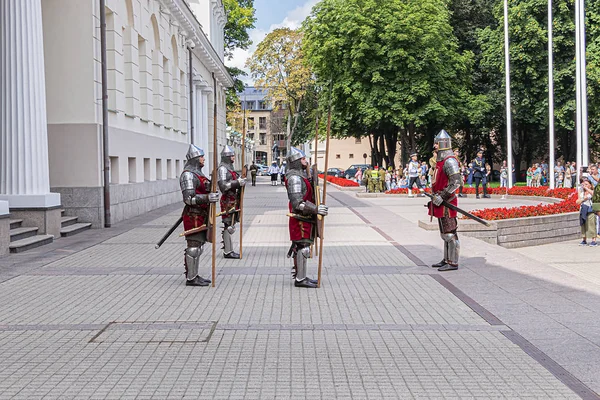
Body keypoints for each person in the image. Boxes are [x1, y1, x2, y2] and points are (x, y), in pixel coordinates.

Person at [284, 147, 328, 288]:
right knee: (303, 248)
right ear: (296, 161)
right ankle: (300, 279)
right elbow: (297, 203)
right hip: (300, 218)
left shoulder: (301, 175)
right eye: (302, 159)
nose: (305, 161)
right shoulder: (294, 178)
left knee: (303, 247)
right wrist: (316, 209)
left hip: (305, 218)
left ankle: (301, 276)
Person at [179, 144, 220, 286]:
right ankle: (191, 278)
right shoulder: (188, 175)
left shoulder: (199, 174)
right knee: (193, 246)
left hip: (203, 215)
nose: (204, 159)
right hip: (193, 215)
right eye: (201, 157)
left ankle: (195, 274)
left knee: (200, 246)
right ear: (195, 158)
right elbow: (189, 199)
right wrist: (208, 198)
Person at [428, 130, 461, 271]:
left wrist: (442, 196)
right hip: (440, 201)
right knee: (444, 233)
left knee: (450, 233)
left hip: (447, 202)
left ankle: (453, 262)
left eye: (437, 143)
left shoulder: (450, 161)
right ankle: (446, 258)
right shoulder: (440, 161)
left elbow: (455, 182)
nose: (434, 146)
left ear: (443, 144)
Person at [217, 145, 246, 259]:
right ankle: (228, 251)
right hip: (227, 200)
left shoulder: (230, 168)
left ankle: (229, 249)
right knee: (228, 225)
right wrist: (237, 183)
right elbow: (223, 186)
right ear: (226, 157)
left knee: (231, 224)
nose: (233, 158)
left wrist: (240, 180)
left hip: (234, 199)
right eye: (232, 156)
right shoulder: (222, 169)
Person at [578, 178, 597, 246]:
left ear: (590, 185)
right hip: (583, 209)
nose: (584, 185)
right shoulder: (581, 191)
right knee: (583, 224)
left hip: (591, 210)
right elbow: (578, 201)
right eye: (584, 184)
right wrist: (584, 198)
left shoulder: (592, 190)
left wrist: (587, 189)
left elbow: (593, 194)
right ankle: (584, 239)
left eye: (586, 184)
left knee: (591, 225)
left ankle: (594, 240)